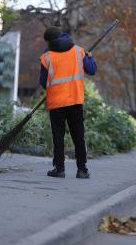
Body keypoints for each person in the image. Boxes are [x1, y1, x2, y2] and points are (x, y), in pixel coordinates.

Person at [39, 27, 97, 179]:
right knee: (78, 136)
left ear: (49, 41)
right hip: (75, 100)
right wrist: (89, 58)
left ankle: (59, 169)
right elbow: (91, 70)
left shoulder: (47, 57)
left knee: (58, 136)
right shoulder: (79, 51)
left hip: (56, 103)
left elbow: (43, 82)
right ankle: (82, 170)